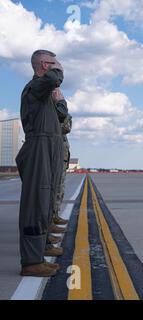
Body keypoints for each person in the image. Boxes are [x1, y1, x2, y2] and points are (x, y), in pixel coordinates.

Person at [15, 50, 67, 277]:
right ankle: (31, 261)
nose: (58, 66)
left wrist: (60, 101)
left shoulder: (45, 93)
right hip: (38, 149)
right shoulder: (34, 86)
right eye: (53, 62)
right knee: (35, 203)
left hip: (50, 149)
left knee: (45, 200)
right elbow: (55, 78)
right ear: (44, 65)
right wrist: (57, 68)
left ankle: (40, 251)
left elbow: (62, 118)